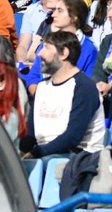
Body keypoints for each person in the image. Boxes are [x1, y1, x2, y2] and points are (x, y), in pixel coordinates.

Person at [21, 31, 106, 159]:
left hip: (79, 157)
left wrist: (35, 153)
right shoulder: (42, 87)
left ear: (64, 54)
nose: (40, 54)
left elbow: (72, 138)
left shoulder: (84, 87)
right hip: (45, 154)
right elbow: (31, 134)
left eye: (47, 48)